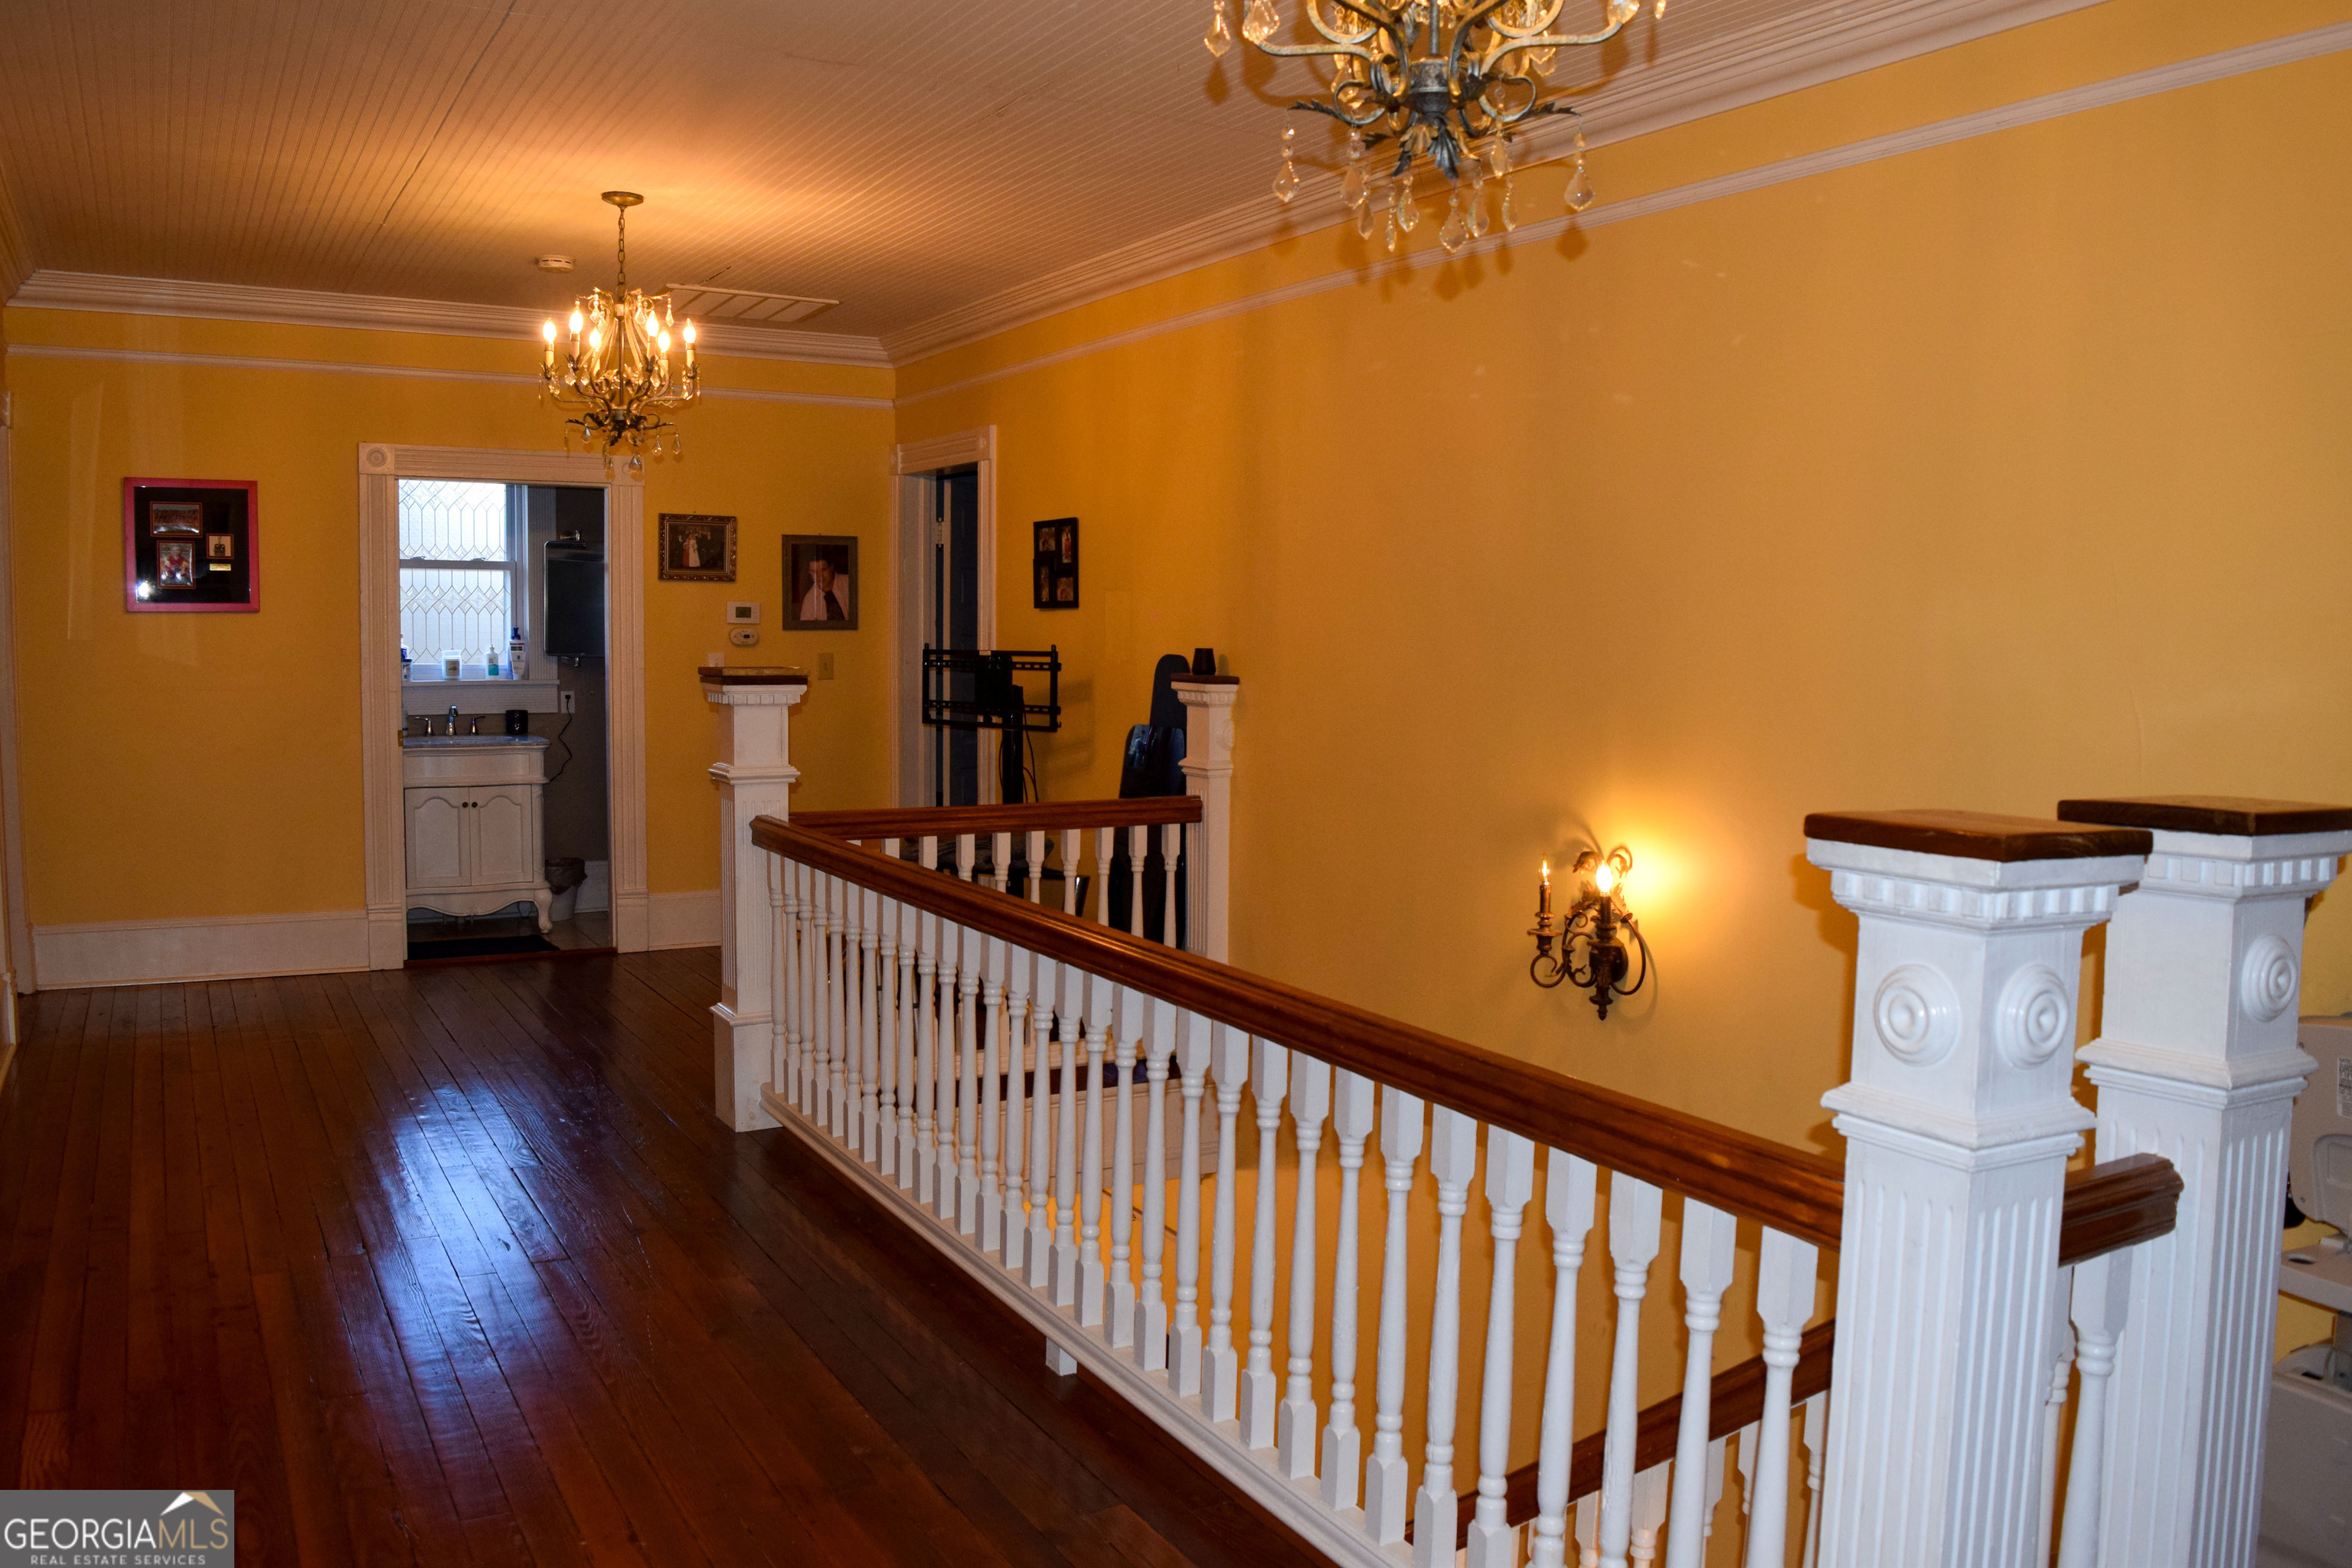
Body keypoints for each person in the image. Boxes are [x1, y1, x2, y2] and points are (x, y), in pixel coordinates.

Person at [798, 555, 851, 622]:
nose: (819, 576)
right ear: (810, 573)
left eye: (823, 570)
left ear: (831, 567)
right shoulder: (809, 600)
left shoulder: (850, 583)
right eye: (814, 572)